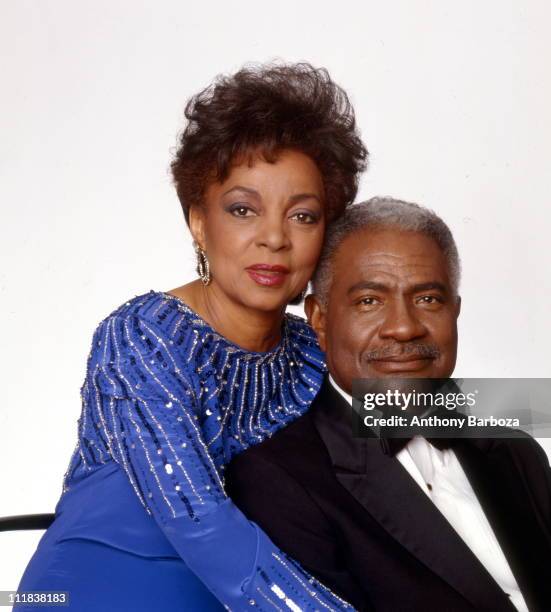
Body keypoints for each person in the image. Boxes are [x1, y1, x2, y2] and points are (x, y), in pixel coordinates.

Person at [17, 63, 368, 611]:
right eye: (243, 209)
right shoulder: (142, 338)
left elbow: (403, 409)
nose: (274, 238)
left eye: (303, 215)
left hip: (232, 597)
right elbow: (198, 517)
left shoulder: (305, 353)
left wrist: (527, 411)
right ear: (199, 222)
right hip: (94, 589)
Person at [227, 197, 551, 612]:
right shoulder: (277, 479)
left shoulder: (515, 452)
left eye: (428, 300)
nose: (404, 327)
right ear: (319, 318)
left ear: (455, 312)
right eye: (370, 300)